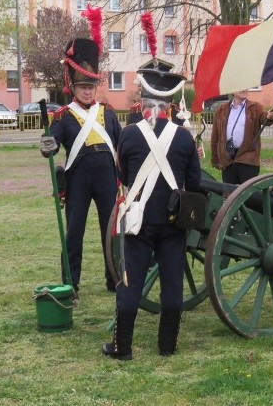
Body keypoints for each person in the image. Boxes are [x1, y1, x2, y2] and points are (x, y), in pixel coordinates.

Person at [103, 68, 202, 360]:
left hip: (139, 221)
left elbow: (122, 174)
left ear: (143, 104)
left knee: (131, 282)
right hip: (174, 221)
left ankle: (123, 348)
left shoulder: (129, 135)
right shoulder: (185, 138)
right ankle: (167, 346)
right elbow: (194, 184)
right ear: (169, 105)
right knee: (172, 283)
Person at [39, 27, 122, 296]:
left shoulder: (108, 114)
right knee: (74, 233)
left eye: (91, 86)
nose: (87, 92)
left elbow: (121, 144)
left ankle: (114, 279)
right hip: (78, 180)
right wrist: (47, 147)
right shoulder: (63, 116)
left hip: (107, 178)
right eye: (82, 87)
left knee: (111, 232)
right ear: (73, 87)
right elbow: (50, 146)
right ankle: (70, 282)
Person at [210, 89, 273, 184]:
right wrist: (215, 158)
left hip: (248, 159)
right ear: (232, 90)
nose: (244, 90)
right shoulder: (221, 109)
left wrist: (269, 117)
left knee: (248, 196)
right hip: (228, 159)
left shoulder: (255, 107)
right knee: (230, 195)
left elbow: (264, 118)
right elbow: (215, 137)